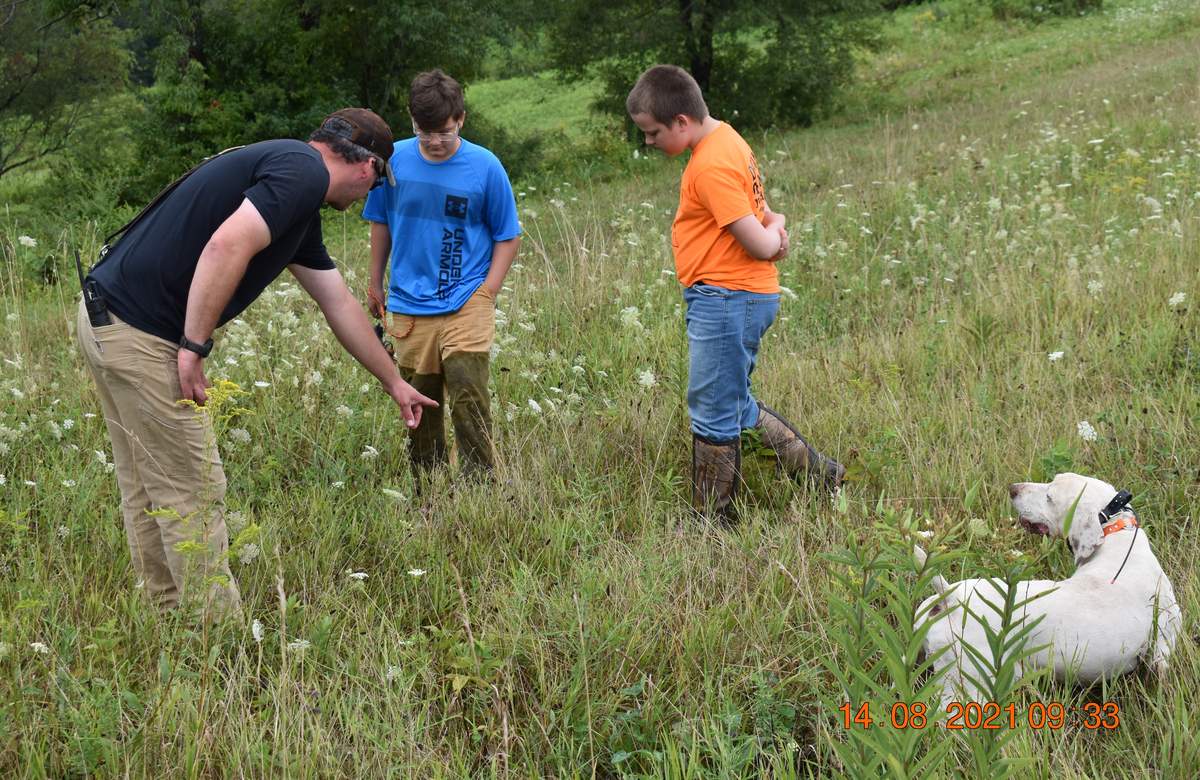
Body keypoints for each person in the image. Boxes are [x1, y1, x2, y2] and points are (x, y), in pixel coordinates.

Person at [76, 109, 438, 617]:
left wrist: (395, 383)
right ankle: (213, 641)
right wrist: (193, 345)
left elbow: (339, 304)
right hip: (143, 334)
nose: (368, 197)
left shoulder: (294, 197)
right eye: (376, 183)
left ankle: (172, 619)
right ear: (367, 166)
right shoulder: (302, 172)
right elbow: (228, 245)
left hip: (105, 320)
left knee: (148, 483)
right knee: (191, 490)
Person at [626, 65, 844, 522]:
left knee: (711, 409)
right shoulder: (728, 139)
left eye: (652, 133)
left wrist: (778, 233)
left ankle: (713, 520)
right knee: (733, 401)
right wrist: (777, 225)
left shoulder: (710, 166)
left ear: (681, 122)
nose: (648, 142)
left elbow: (763, 242)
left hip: (728, 298)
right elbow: (766, 215)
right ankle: (819, 475)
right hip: (732, 297)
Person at [363, 70, 521, 482]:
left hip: (467, 298)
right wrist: (374, 281)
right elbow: (380, 222)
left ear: (462, 120)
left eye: (445, 133)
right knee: (420, 400)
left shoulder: (485, 166)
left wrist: (488, 292)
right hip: (408, 304)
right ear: (412, 122)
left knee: (469, 391)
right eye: (424, 132)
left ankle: (481, 484)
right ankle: (429, 485)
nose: (434, 141)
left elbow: (508, 235)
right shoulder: (393, 161)